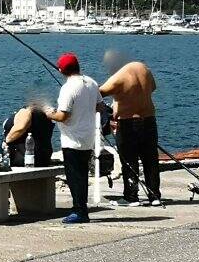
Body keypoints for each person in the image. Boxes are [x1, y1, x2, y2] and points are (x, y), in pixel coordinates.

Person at [44, 53, 104, 224]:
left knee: (74, 177)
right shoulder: (91, 83)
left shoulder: (68, 88)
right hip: (88, 136)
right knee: (82, 175)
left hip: (72, 138)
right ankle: (80, 208)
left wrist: (49, 114)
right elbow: (99, 106)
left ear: (61, 70)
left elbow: (63, 116)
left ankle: (79, 211)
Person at [99, 51, 161, 207]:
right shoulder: (144, 68)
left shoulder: (118, 77)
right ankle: (154, 196)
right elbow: (153, 87)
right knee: (151, 160)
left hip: (128, 123)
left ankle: (131, 197)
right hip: (149, 119)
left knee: (129, 160)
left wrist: (118, 102)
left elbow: (97, 94)